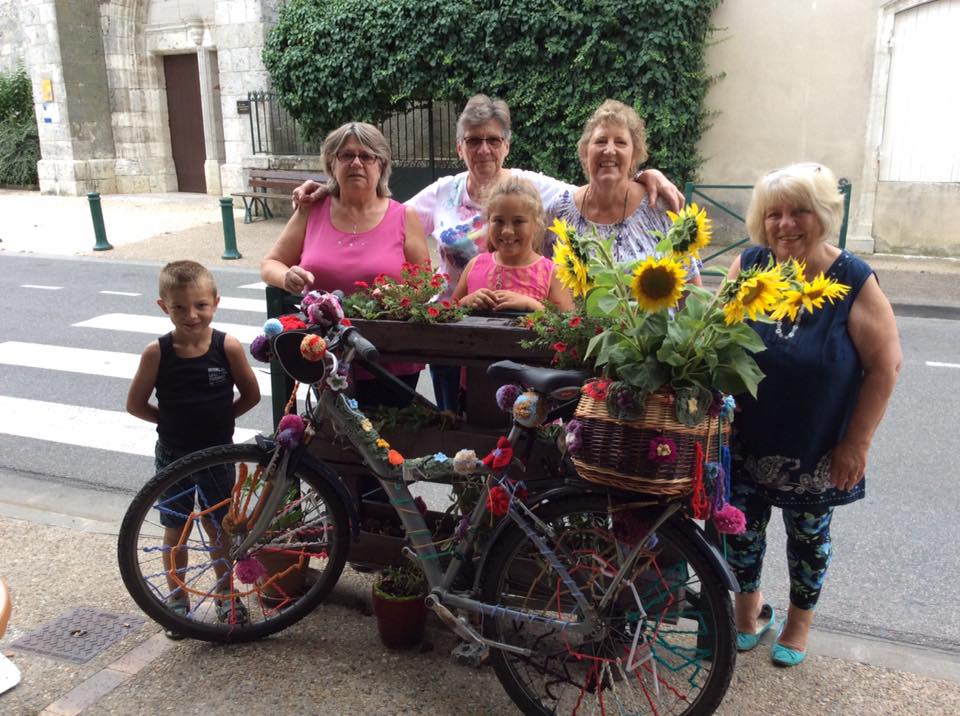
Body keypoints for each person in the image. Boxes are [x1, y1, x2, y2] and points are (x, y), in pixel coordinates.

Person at [292, 94, 685, 412]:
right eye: (473, 140)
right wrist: (332, 192)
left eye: (493, 140)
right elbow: (383, 216)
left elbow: (597, 188)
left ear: (506, 145)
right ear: (460, 146)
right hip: (453, 334)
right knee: (457, 423)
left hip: (523, 341)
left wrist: (644, 175)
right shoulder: (442, 192)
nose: (483, 149)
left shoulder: (531, 187)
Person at [724, 163, 902, 666]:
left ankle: (798, 625)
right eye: (774, 214)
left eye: (799, 211)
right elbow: (717, 337)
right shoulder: (750, 265)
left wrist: (857, 444)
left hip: (817, 444)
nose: (785, 224)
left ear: (822, 215)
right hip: (745, 436)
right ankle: (748, 613)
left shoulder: (852, 278)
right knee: (739, 531)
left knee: (808, 539)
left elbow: (885, 365)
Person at [126, 260, 261, 638]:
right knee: (176, 531)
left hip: (219, 456)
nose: (191, 315)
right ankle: (177, 600)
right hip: (173, 457)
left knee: (220, 529)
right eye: (179, 307)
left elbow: (251, 395)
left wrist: (221, 421)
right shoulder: (157, 353)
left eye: (200, 305)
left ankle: (226, 596)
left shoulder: (227, 347)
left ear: (215, 302)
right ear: (163, 307)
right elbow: (135, 404)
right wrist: (169, 423)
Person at [261, 121, 429, 408]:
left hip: (389, 357)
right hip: (327, 355)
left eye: (367, 156)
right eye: (346, 155)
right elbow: (270, 264)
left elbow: (424, 287)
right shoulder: (311, 210)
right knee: (335, 431)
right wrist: (286, 276)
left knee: (389, 433)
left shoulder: (404, 216)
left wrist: (397, 295)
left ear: (381, 165)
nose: (356, 163)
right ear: (332, 163)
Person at [546, 100, 701, 285]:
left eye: (620, 142)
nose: (609, 150)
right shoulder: (559, 211)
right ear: (585, 152)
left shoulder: (660, 207)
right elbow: (544, 283)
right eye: (601, 141)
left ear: (634, 155)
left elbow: (691, 290)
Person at [453, 175, 574, 312]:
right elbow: (446, 314)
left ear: (536, 224)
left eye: (518, 222)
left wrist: (532, 305)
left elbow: (568, 323)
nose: (507, 231)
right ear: (488, 221)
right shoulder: (474, 266)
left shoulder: (551, 274)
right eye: (498, 221)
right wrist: (465, 302)